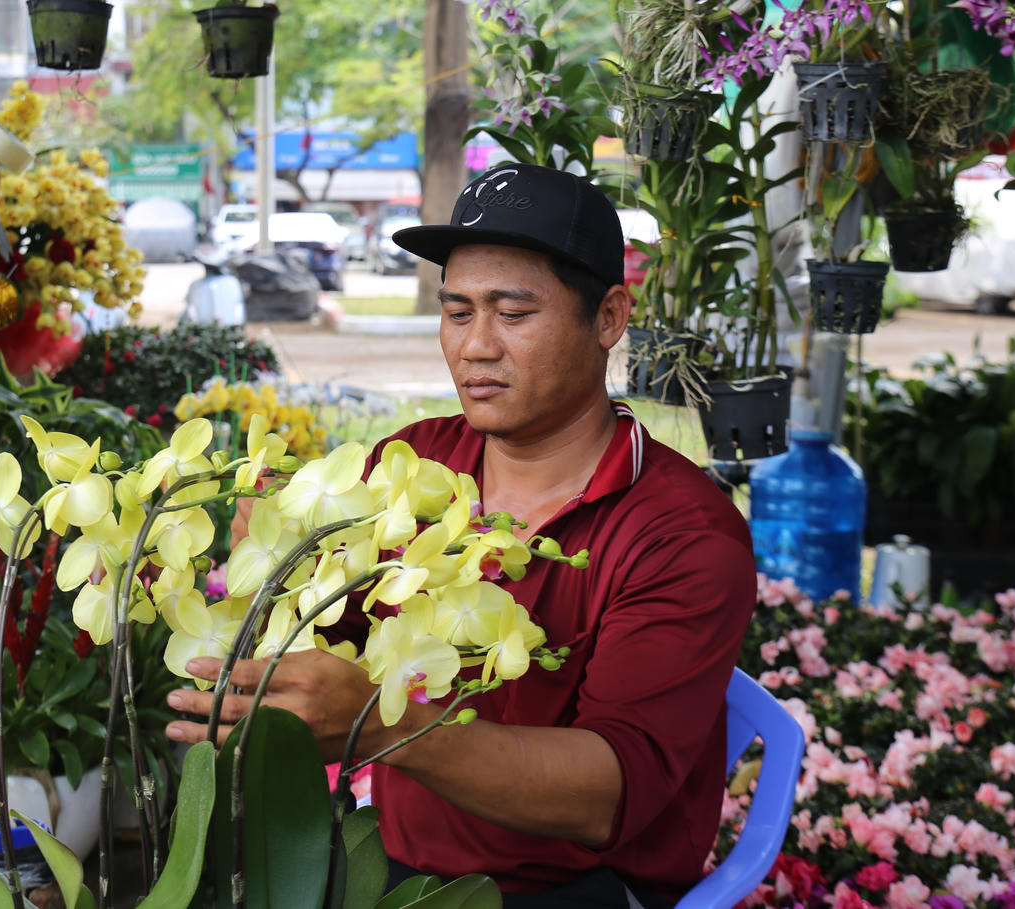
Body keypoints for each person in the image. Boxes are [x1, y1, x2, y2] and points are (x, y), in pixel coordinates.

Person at [166, 163, 758, 907]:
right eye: (457, 312)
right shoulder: (411, 468)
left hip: (582, 888)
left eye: (512, 314)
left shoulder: (682, 532)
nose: (476, 346)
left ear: (609, 317)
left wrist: (385, 727)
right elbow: (330, 630)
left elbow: (605, 795)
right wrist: (276, 568)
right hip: (402, 862)